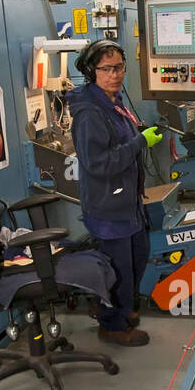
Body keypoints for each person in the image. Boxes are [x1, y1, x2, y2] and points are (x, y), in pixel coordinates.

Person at [68, 39, 162, 346]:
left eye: (119, 67)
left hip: (127, 202)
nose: (115, 74)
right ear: (90, 71)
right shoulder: (90, 113)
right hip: (109, 206)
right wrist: (139, 143)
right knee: (116, 269)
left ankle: (123, 309)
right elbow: (98, 164)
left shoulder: (113, 102)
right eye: (107, 68)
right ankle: (111, 325)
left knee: (136, 258)